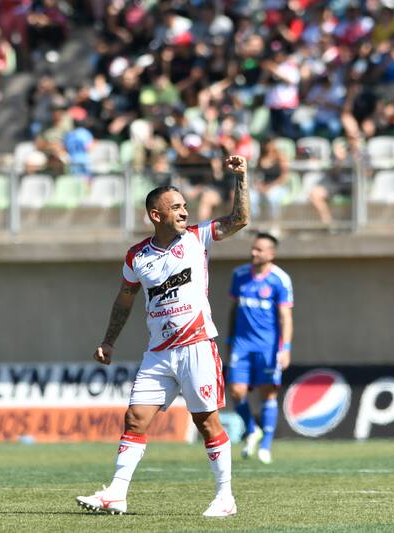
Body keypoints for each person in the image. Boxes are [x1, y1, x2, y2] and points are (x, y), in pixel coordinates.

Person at [76, 155, 250, 518]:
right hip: (158, 353)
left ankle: (225, 497)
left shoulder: (199, 238)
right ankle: (117, 494)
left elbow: (240, 220)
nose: (184, 212)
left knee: (207, 423)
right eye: (176, 207)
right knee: (135, 418)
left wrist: (241, 180)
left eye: (185, 206)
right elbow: (124, 299)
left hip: (197, 346)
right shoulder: (137, 256)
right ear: (156, 215)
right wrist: (109, 340)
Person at [226, 233, 293, 465]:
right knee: (236, 391)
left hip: (268, 347)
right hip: (241, 345)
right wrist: (228, 340)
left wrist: (285, 348)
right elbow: (233, 310)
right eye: (253, 248)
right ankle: (252, 429)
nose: (254, 253)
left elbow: (285, 316)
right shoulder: (239, 275)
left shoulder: (280, 280)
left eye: (259, 250)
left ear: (271, 254)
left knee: (268, 394)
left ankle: (266, 446)